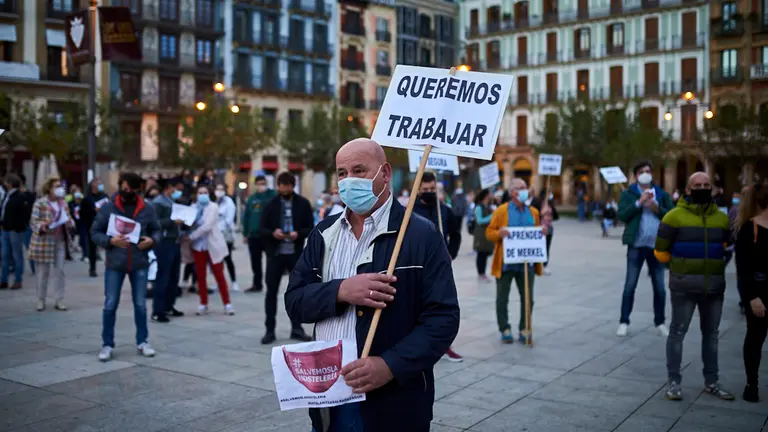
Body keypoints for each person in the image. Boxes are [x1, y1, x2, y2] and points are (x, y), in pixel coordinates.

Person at [284, 138, 459, 432]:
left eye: (359, 170)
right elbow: (295, 302)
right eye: (342, 173)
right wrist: (340, 291)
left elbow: (443, 319)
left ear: (385, 173)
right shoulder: (324, 232)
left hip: (394, 404)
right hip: (329, 396)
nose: (348, 180)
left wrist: (391, 365)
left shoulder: (421, 235)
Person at [654, 171, 734, 401]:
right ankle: (673, 383)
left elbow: (727, 248)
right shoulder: (673, 217)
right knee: (677, 333)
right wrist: (681, 267)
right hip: (684, 287)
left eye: (706, 184)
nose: (702, 188)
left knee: (712, 335)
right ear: (688, 189)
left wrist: (715, 265)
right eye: (697, 185)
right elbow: (660, 252)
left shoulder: (722, 218)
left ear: (713, 188)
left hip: (714, 288)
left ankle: (712, 381)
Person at [91, 172, 161, 362]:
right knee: (110, 304)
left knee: (140, 304)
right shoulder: (108, 208)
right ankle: (107, 344)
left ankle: (142, 341)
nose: (127, 191)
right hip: (115, 263)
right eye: (124, 187)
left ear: (137, 189)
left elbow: (156, 230)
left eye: (131, 188)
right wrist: (109, 241)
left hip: (139, 262)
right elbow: (94, 232)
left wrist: (152, 240)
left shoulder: (147, 208)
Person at [616, 161, 674, 337]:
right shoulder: (629, 194)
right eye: (642, 171)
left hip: (656, 247)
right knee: (630, 285)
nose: (645, 174)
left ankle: (660, 322)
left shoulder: (661, 194)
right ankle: (624, 321)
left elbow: (671, 216)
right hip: (636, 246)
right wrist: (638, 204)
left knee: (660, 287)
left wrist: (657, 209)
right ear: (636, 176)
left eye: (648, 171)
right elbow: (622, 215)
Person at [486, 178, 544, 344]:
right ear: (513, 192)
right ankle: (504, 328)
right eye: (521, 188)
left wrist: (543, 231)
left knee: (528, 298)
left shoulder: (533, 212)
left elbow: (536, 233)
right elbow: (489, 233)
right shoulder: (501, 211)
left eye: (526, 187)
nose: (526, 190)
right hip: (505, 263)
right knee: (502, 298)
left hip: (526, 263)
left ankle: (525, 328)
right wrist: (499, 234)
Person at [412, 173, 463, 362]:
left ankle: (445, 345)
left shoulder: (445, 211)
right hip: (416, 265)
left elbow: (456, 235)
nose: (429, 193)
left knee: (441, 306)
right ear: (418, 190)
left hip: (440, 267)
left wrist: (451, 253)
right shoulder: (409, 210)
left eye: (432, 189)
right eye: (425, 190)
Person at [259, 172, 313, 344]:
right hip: (276, 254)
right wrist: (273, 233)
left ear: (292, 186)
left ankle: (297, 329)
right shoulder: (271, 204)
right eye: (281, 185)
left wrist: (298, 233)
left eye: (287, 185)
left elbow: (310, 227)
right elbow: (262, 228)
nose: (284, 188)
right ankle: (269, 330)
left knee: (296, 292)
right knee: (271, 293)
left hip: (295, 254)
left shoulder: (303, 204)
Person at [735, 182, 768, 402]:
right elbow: (743, 269)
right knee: (755, 338)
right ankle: (752, 383)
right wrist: (752, 297)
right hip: (759, 291)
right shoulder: (750, 229)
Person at [188, 186, 235, 316]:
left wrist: (191, 236)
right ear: (196, 194)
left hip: (212, 245)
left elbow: (207, 226)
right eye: (200, 192)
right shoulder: (192, 208)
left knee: (219, 275)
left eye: (205, 192)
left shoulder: (213, 207)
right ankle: (203, 303)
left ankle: (227, 304)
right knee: (201, 276)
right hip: (198, 247)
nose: (202, 195)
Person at [28, 177, 73, 311]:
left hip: (59, 241)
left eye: (60, 186)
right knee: (42, 272)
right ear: (49, 188)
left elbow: (69, 218)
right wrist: (44, 225)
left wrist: (69, 222)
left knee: (60, 271)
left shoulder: (63, 203)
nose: (59, 189)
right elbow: (33, 222)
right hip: (44, 242)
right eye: (56, 186)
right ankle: (41, 300)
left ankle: (59, 300)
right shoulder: (40, 203)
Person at [150, 179, 185, 323]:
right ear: (169, 188)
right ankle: (157, 310)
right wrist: (172, 222)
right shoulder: (158, 202)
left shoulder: (170, 201)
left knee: (173, 276)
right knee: (163, 276)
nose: (176, 191)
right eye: (174, 188)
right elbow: (155, 222)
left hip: (175, 242)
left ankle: (169, 306)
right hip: (165, 243)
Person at [242, 175, 275, 293]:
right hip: (253, 235)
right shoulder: (252, 198)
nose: (262, 186)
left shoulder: (272, 196)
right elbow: (246, 216)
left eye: (264, 183)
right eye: (260, 184)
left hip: (268, 234)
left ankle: (271, 284)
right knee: (255, 262)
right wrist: (245, 233)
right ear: (256, 185)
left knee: (271, 261)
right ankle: (257, 284)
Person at [0, 174, 32, 290]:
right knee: (5, 255)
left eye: (6, 181)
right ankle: (3, 280)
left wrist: (19, 227)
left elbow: (25, 214)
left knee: (17, 255)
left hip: (15, 230)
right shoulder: (7, 195)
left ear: (10, 183)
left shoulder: (20, 197)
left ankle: (18, 280)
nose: (4, 183)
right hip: (5, 229)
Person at [81, 179, 109, 278]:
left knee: (108, 245)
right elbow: (83, 214)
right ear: (92, 185)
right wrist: (93, 210)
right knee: (92, 248)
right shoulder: (87, 199)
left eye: (100, 182)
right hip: (93, 225)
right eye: (97, 183)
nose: (99, 184)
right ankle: (92, 268)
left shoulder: (105, 196)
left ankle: (109, 267)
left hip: (105, 225)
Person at [215, 183, 239, 291]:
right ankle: (219, 282)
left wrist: (220, 227)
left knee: (228, 258)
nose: (219, 191)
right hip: (215, 235)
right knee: (217, 260)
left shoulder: (228, 202)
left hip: (225, 234)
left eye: (221, 189)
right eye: (217, 189)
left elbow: (229, 218)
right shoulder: (214, 201)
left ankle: (234, 282)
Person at [531, 189, 559, 275]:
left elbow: (556, 216)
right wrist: (541, 213)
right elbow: (532, 215)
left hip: (549, 228)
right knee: (538, 246)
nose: (551, 195)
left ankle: (544, 265)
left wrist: (551, 214)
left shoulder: (550, 203)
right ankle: (536, 265)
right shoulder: (536, 202)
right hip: (539, 228)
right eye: (549, 193)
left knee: (546, 247)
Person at [473, 190, 494, 281]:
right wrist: (491, 216)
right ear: (486, 196)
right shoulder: (479, 207)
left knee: (485, 253)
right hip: (480, 234)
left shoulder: (488, 207)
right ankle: (480, 273)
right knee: (481, 254)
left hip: (487, 233)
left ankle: (483, 273)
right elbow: (479, 220)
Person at [70, 189, 88, 261]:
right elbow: (70, 212)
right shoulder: (71, 203)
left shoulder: (83, 202)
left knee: (83, 240)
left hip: (82, 223)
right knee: (72, 238)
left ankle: (85, 255)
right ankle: (69, 253)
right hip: (74, 223)